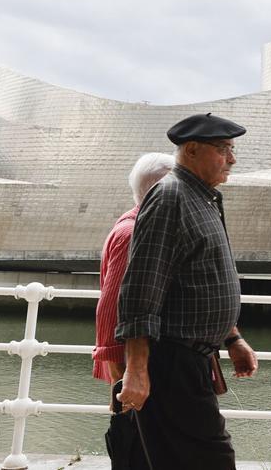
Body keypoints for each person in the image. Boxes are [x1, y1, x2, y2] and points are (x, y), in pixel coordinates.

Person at [114, 113, 259, 469]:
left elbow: (202, 278)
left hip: (193, 360)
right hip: (172, 362)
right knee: (211, 460)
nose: (232, 159)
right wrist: (136, 369)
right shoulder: (170, 197)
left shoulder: (203, 197)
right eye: (223, 149)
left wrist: (233, 338)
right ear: (192, 150)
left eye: (233, 149)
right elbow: (141, 288)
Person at [93, 152, 174, 384]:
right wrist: (122, 378)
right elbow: (111, 308)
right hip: (143, 368)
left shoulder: (141, 226)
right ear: (159, 191)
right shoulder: (133, 234)